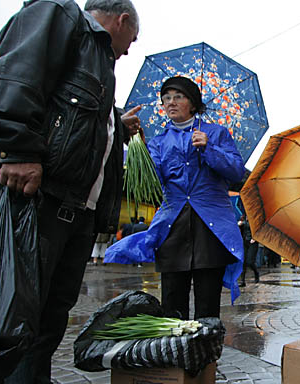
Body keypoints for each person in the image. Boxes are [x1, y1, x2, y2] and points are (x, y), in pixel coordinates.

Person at [0, 1, 140, 384]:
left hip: (73, 206)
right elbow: (13, 80)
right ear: (120, 21)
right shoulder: (58, 15)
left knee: (46, 312)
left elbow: (73, 118)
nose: (128, 49)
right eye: (131, 40)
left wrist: (116, 125)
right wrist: (16, 147)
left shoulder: (100, 64)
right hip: (34, 193)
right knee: (0, 308)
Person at [105, 76, 246, 320]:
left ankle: (207, 356)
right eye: (166, 98)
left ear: (193, 103)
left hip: (211, 227)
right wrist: (138, 144)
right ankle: (175, 355)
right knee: (172, 303)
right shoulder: (158, 141)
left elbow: (236, 171)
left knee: (207, 303)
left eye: (178, 96)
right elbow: (149, 184)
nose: (171, 102)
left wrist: (209, 148)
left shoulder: (216, 133)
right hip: (172, 228)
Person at [238, 215, 259, 287]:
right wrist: (239, 225)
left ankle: (256, 273)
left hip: (253, 242)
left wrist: (255, 238)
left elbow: (259, 230)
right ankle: (242, 281)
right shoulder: (243, 218)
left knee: (250, 261)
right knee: (243, 261)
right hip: (244, 242)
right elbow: (240, 231)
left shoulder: (255, 219)